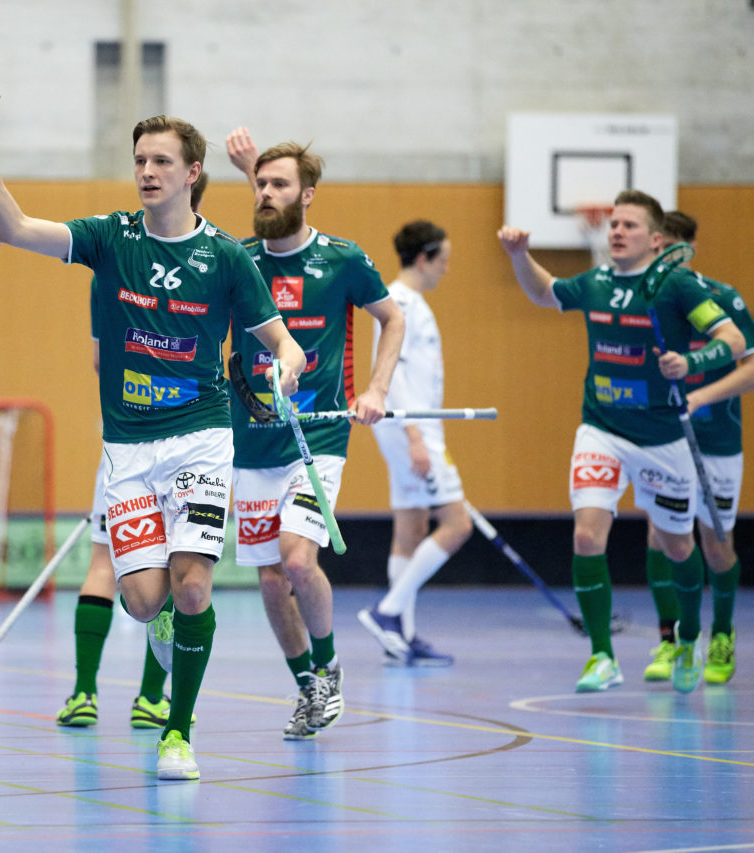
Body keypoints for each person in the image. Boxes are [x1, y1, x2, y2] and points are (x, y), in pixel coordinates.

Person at [0, 107, 306, 781]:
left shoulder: (227, 257)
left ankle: (178, 733)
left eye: (160, 162)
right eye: (140, 161)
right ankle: (157, 634)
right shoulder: (107, 238)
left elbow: (280, 337)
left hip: (202, 440)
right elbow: (12, 226)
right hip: (127, 447)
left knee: (190, 588)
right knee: (144, 599)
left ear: (192, 173)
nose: (147, 172)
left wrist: (291, 360)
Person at [498, 189, 745, 694]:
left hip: (663, 438)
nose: (616, 231)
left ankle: (690, 636)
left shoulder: (678, 288)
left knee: (679, 543)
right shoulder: (597, 282)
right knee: (587, 537)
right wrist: (520, 256)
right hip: (602, 429)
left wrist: (691, 364)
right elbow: (545, 293)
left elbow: (733, 342)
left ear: (656, 239)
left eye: (629, 225)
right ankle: (602, 656)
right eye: (613, 224)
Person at [224, 127, 404, 736]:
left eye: (280, 184)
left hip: (318, 439)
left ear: (308, 196)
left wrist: (376, 389)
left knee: (299, 561)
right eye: (260, 183)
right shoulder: (238, 259)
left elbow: (392, 317)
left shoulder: (343, 260)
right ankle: (306, 685)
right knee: (271, 579)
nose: (266, 192)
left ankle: (328, 670)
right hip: (249, 441)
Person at [56, 171, 209, 731]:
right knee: (168, 570)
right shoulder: (209, 260)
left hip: (135, 434)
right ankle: (149, 696)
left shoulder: (115, 264)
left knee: (114, 565)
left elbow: (102, 361)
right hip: (150, 444)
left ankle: (83, 693)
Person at [640, 211, 752, 685]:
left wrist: (702, 394)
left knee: (715, 540)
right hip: (663, 438)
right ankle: (672, 638)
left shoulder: (723, 298)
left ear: (687, 250)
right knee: (660, 535)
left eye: (674, 251)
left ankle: (721, 633)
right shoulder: (642, 303)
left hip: (716, 438)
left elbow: (749, 364)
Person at [358, 220, 473, 666]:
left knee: (410, 531)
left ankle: (400, 635)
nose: (446, 269)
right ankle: (387, 614)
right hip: (412, 428)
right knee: (457, 524)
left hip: (414, 429)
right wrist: (415, 437)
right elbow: (393, 374)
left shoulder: (412, 302)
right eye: (443, 260)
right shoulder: (400, 302)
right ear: (424, 258)